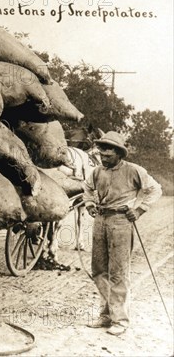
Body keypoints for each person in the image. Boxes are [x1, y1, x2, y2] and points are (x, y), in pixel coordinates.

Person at [82, 131, 162, 336]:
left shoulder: (134, 171)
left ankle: (121, 320)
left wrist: (139, 209)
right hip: (100, 220)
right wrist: (90, 204)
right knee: (99, 270)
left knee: (118, 271)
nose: (103, 154)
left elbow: (155, 189)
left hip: (121, 222)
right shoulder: (97, 171)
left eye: (108, 150)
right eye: (101, 150)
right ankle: (106, 315)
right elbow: (87, 189)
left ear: (119, 153)